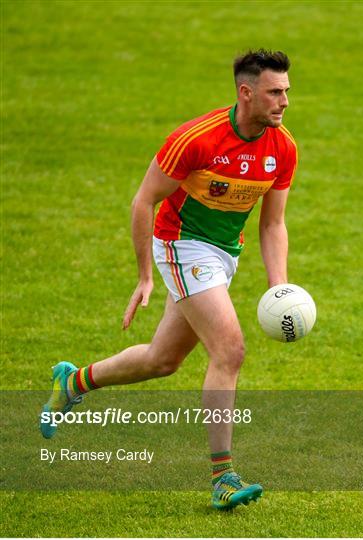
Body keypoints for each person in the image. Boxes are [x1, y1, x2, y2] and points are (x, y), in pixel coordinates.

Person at [40, 49, 297, 510]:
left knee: (162, 360)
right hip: (181, 245)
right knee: (230, 349)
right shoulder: (195, 139)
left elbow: (272, 224)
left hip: (223, 255)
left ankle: (74, 382)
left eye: (287, 92)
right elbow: (143, 201)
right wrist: (144, 275)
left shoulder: (283, 148)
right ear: (246, 93)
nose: (284, 101)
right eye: (275, 92)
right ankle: (223, 476)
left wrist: (278, 287)